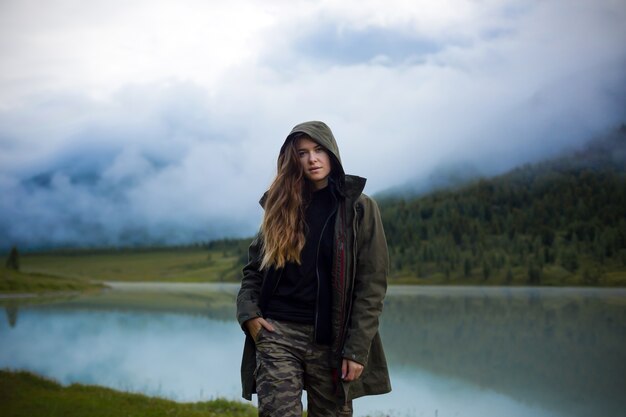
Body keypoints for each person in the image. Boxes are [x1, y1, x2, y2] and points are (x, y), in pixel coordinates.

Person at [236, 121, 391, 417]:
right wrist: (249, 315)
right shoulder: (281, 206)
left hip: (332, 341)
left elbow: (371, 285)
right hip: (277, 333)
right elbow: (253, 271)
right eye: (303, 153)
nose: (312, 159)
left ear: (332, 152)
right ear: (293, 160)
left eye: (319, 150)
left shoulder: (359, 207)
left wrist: (356, 349)